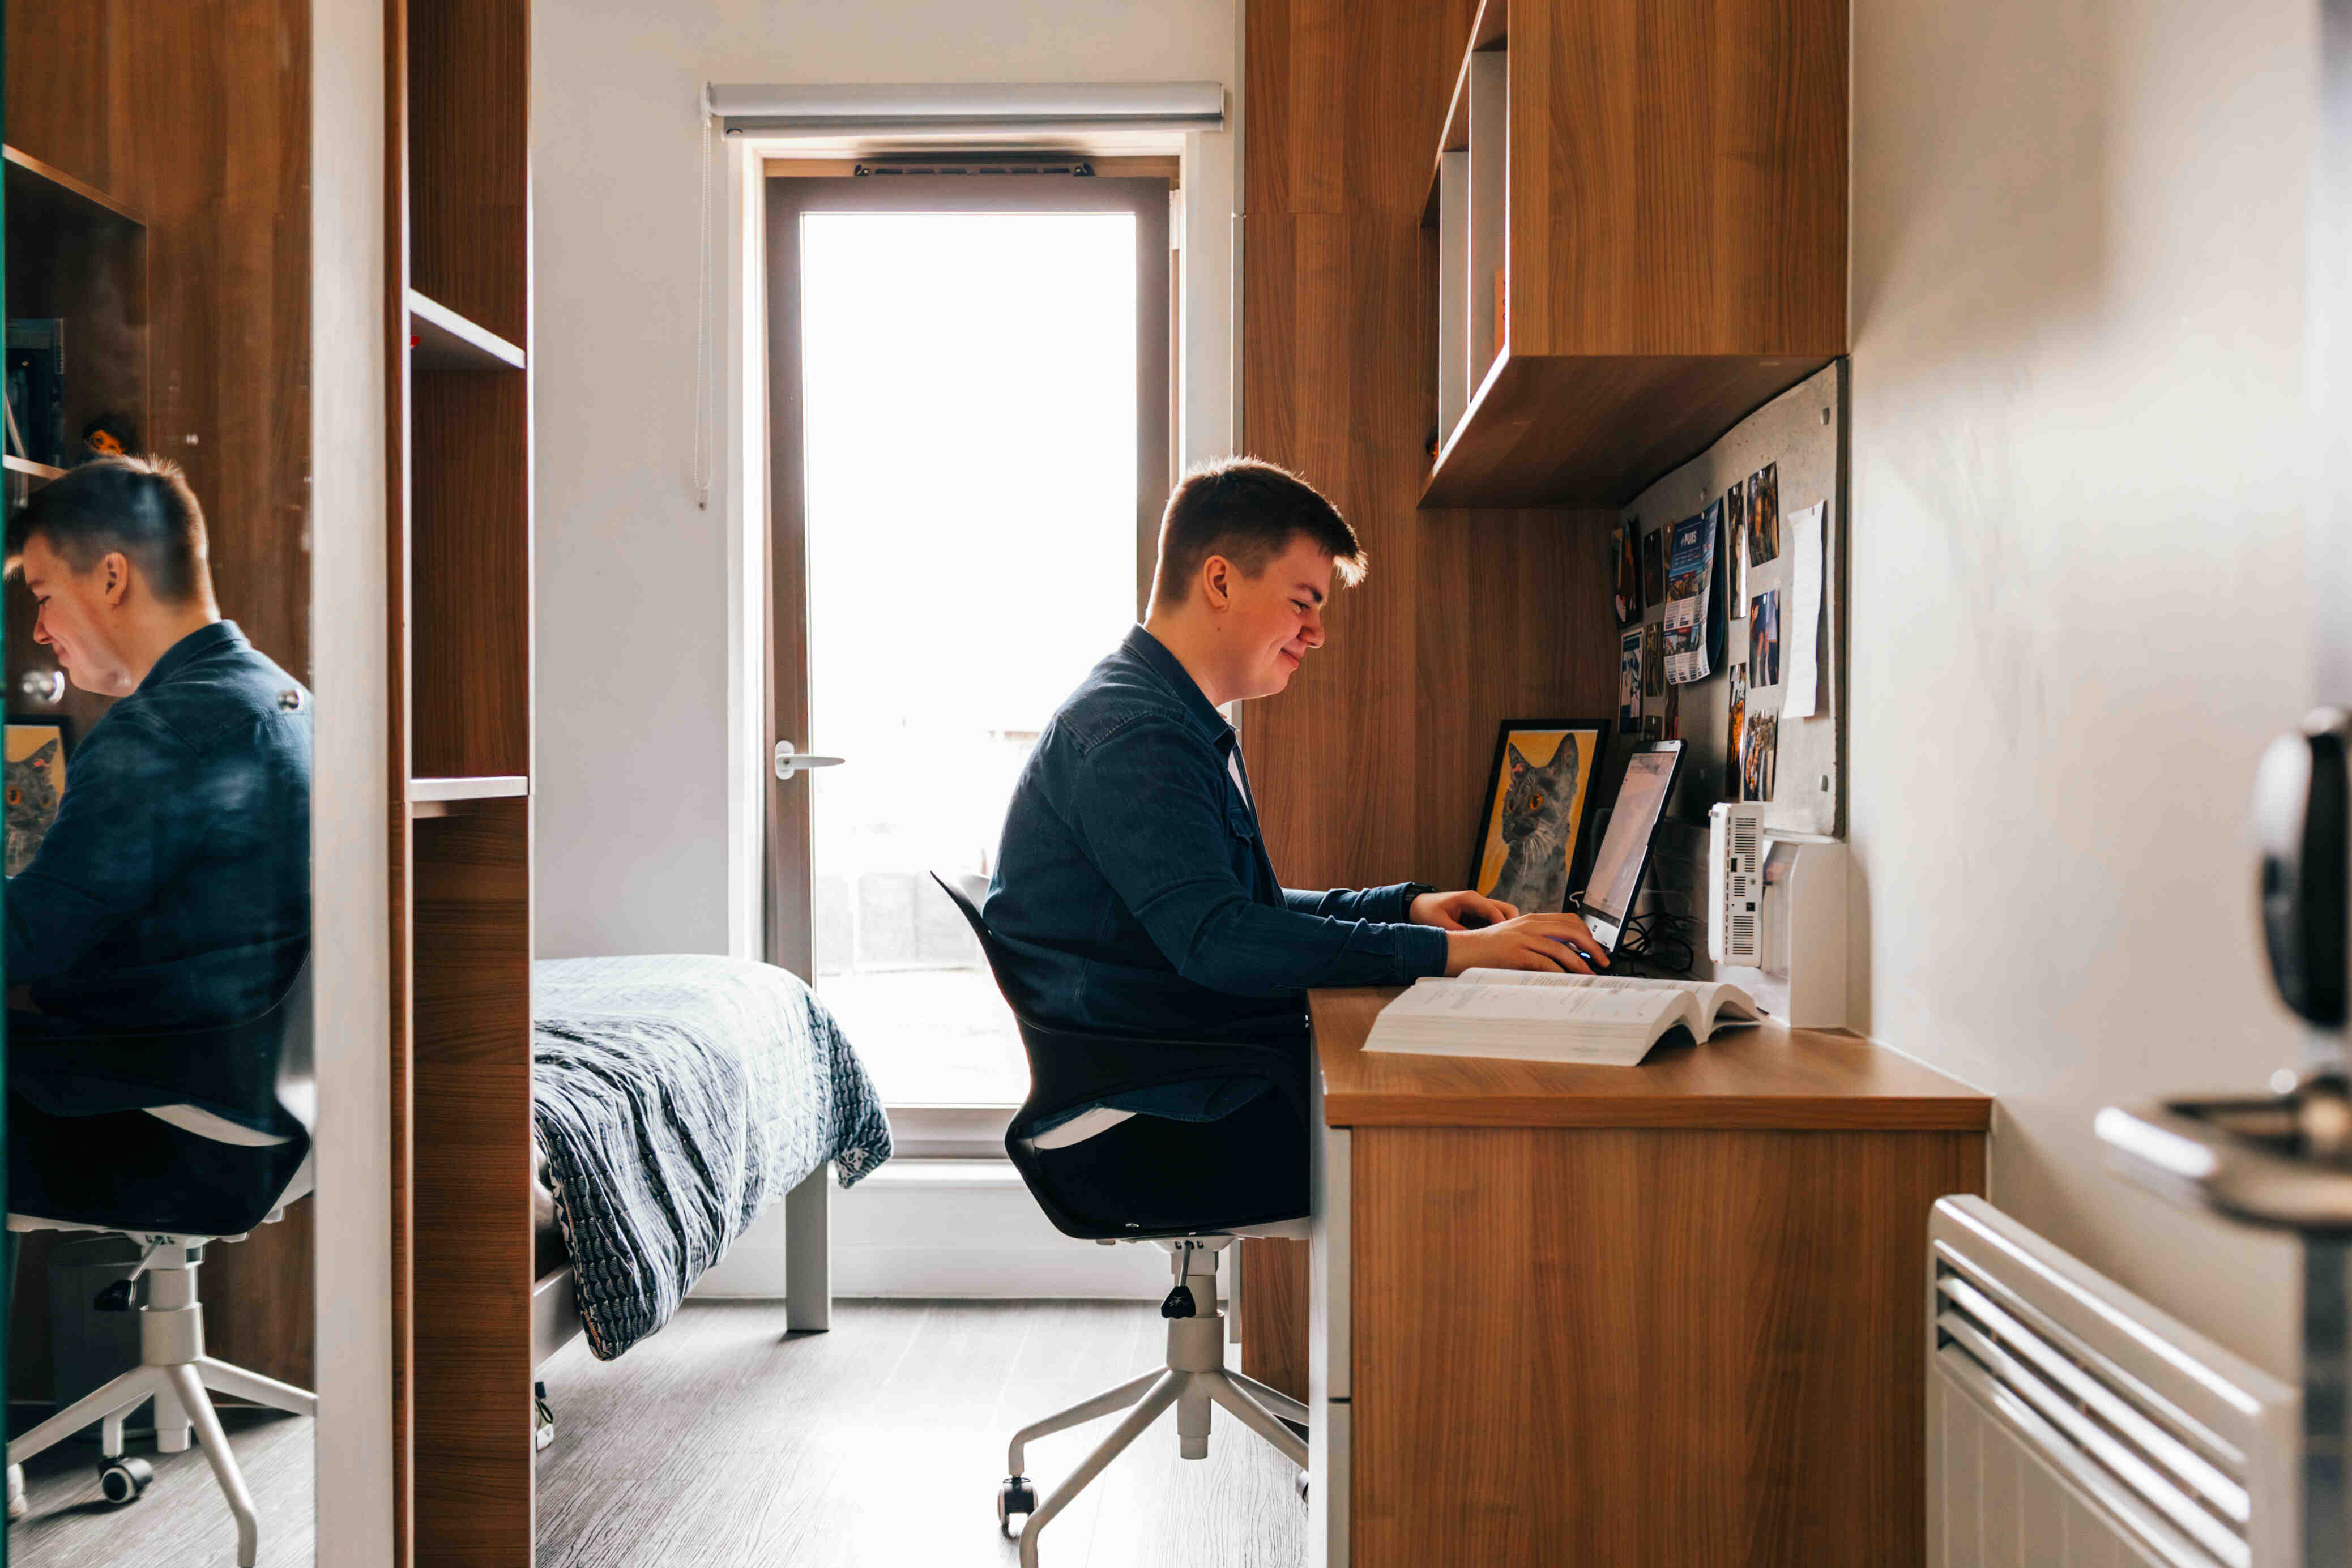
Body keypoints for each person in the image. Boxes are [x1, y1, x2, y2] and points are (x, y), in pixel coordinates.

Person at [984, 457, 1604, 1224]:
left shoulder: (1163, 713)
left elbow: (1236, 910)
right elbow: (1220, 941)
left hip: (1173, 1075)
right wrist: (1451, 954)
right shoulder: (1137, 735)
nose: (1316, 633)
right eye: (1302, 603)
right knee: (1465, 1132)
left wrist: (1405, 908)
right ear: (1219, 581)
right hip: (1154, 1119)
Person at [4, 455, 311, 1231]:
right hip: (275, 1109)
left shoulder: (165, 728)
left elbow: (27, 940)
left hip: (175, 1128)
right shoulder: (288, 698)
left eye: (43, 595)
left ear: (112, 577)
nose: (37, 629)